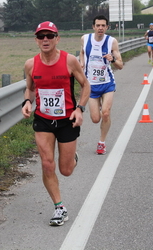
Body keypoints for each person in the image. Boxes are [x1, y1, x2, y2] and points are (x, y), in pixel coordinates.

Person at [22, 21, 90, 226]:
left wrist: (80, 108)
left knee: (66, 170)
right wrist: (27, 102)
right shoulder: (30, 64)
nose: (45, 40)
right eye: (41, 36)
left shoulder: (69, 61)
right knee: (46, 163)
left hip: (67, 120)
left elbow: (85, 85)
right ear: (36, 40)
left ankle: (71, 158)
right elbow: (30, 88)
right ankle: (59, 207)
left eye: (49, 36)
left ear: (57, 38)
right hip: (43, 119)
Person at [80, 15, 123, 155]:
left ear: (107, 27)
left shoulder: (112, 42)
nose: (100, 28)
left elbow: (120, 65)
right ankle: (99, 105)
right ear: (93, 27)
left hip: (107, 83)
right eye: (98, 25)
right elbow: (82, 52)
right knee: (95, 119)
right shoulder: (85, 39)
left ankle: (101, 143)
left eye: (103, 25)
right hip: (91, 85)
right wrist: (81, 63)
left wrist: (113, 59)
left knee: (105, 113)